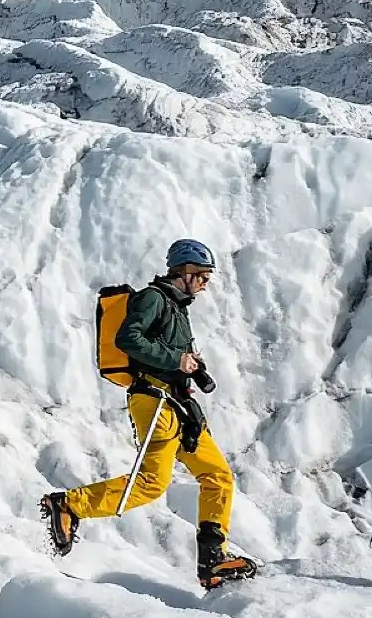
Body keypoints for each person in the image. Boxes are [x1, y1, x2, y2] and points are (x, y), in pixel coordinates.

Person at [40, 239, 257, 590]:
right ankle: (67, 505)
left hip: (178, 405)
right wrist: (176, 360)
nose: (205, 283)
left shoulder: (177, 308)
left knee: (218, 475)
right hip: (154, 400)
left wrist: (189, 363)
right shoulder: (153, 298)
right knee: (151, 484)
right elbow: (129, 338)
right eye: (201, 275)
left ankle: (214, 561)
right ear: (184, 272)